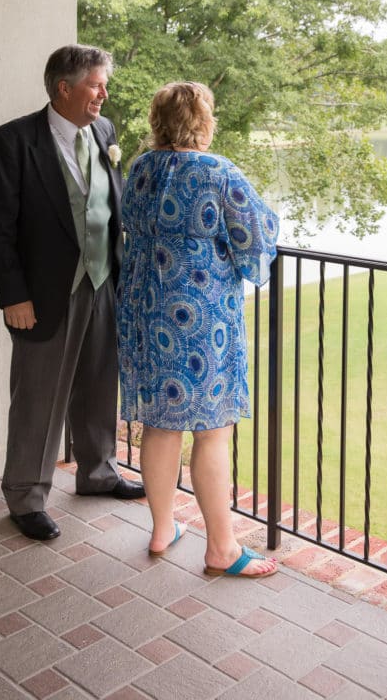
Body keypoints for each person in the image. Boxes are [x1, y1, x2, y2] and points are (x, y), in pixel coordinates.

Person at [0, 44, 145, 541]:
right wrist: (13, 296)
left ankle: (97, 472)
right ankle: (26, 495)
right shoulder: (13, 141)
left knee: (98, 383)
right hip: (44, 293)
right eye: (96, 84)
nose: (104, 93)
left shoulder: (105, 132)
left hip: (101, 280)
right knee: (38, 396)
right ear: (64, 89)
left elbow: (107, 206)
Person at [117, 81, 279, 577]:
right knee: (212, 431)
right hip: (202, 320)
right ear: (204, 121)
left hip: (148, 311)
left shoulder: (140, 169)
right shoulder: (218, 171)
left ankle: (163, 529)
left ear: (158, 120)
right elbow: (256, 235)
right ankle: (222, 549)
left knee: (162, 425)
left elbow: (128, 222)